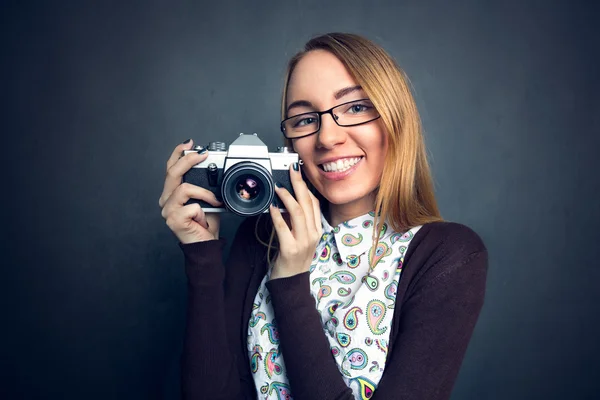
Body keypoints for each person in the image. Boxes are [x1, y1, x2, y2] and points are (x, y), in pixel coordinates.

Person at [159, 33, 488, 400]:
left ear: (395, 117)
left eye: (356, 107)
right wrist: (202, 255)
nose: (327, 138)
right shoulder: (260, 237)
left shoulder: (447, 255)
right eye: (304, 119)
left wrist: (290, 281)